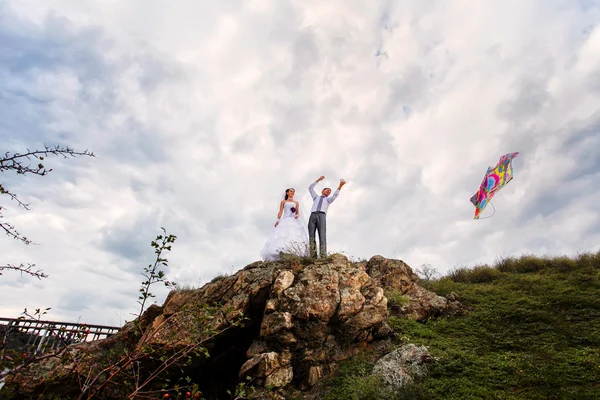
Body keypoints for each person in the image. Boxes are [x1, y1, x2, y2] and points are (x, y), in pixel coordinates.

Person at [260, 188, 310, 261]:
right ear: (287, 193)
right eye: (291, 191)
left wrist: (297, 215)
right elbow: (280, 211)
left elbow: (297, 213)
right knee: (283, 234)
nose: (293, 193)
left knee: (294, 234)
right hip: (286, 219)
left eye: (293, 192)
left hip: (294, 220)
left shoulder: (296, 203)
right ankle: (281, 251)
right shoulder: (283, 202)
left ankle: (296, 252)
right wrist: (278, 220)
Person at [308, 176, 346, 258]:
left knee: (322, 235)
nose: (328, 191)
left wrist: (340, 186)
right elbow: (310, 188)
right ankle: (313, 256)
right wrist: (318, 180)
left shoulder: (328, 200)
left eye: (329, 191)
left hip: (321, 216)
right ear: (322, 191)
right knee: (311, 235)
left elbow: (335, 195)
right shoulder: (316, 197)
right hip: (313, 215)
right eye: (327, 190)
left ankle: (323, 255)